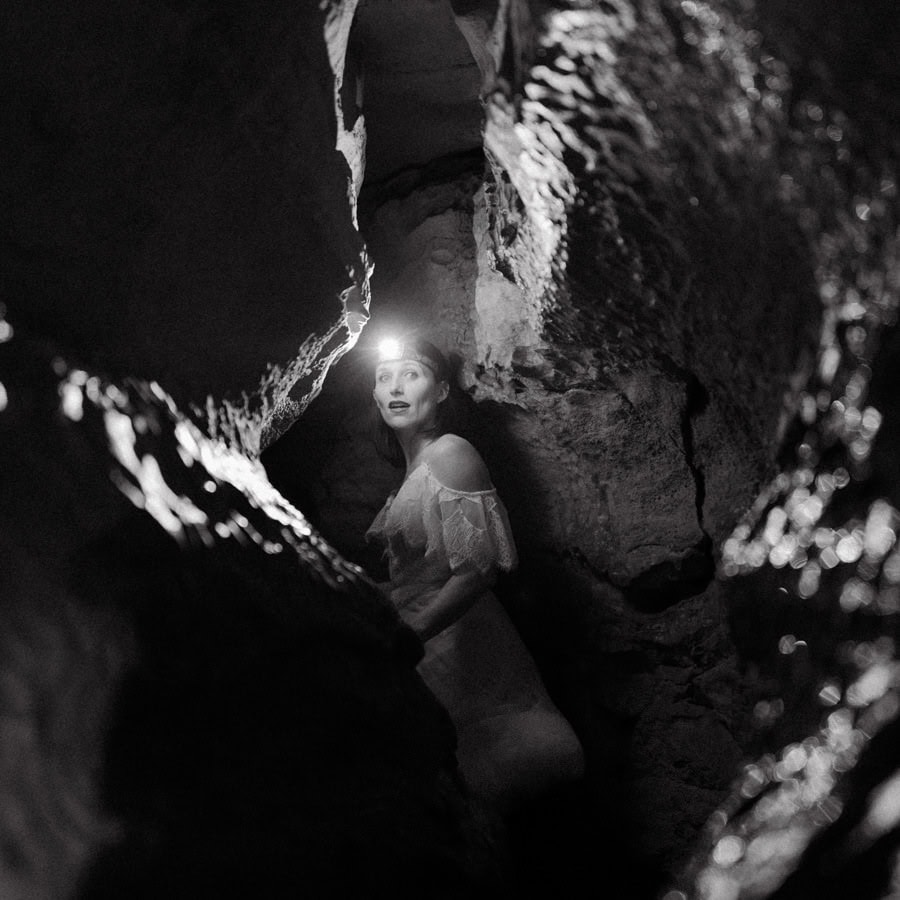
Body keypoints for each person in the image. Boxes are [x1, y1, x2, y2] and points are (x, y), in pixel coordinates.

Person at [365, 333, 585, 811]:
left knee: (501, 769)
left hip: (462, 642)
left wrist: (412, 634)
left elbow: (478, 570)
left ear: (441, 390)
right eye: (384, 378)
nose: (396, 387)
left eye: (412, 374)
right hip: (432, 648)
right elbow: (419, 572)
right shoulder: (416, 467)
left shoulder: (450, 452)